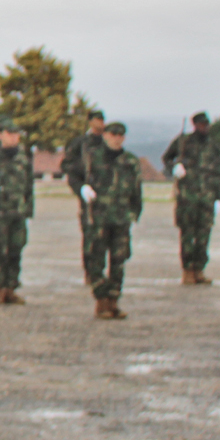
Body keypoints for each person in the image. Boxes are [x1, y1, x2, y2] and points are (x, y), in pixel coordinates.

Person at [81, 120, 142, 319]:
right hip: (98, 217)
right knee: (95, 259)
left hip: (121, 218)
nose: (116, 139)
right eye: (113, 135)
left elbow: (136, 189)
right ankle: (101, 299)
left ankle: (114, 300)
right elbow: (76, 176)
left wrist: (135, 212)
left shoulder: (130, 161)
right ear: (105, 135)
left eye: (120, 135)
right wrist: (82, 188)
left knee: (119, 260)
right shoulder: (92, 157)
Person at [163, 112, 220, 285]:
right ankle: (187, 270)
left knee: (204, 235)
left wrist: (218, 194)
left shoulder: (213, 146)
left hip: (207, 198)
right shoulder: (183, 142)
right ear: (194, 125)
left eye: (207, 124)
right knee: (187, 235)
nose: (205, 127)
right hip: (187, 198)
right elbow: (166, 158)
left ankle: (199, 269)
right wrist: (175, 167)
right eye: (201, 124)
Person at [0, 120, 35, 304]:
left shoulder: (23, 156)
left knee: (16, 250)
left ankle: (11, 288)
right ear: (0, 134)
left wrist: (29, 210)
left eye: (16, 134)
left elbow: (28, 185)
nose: (14, 137)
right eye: (9, 133)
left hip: (18, 212)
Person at [62, 108, 106, 285]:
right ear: (90, 121)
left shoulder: (107, 142)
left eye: (102, 119)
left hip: (107, 196)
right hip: (88, 196)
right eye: (97, 119)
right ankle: (90, 271)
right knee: (90, 235)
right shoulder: (80, 144)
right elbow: (67, 166)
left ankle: (102, 271)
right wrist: (81, 188)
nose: (100, 123)